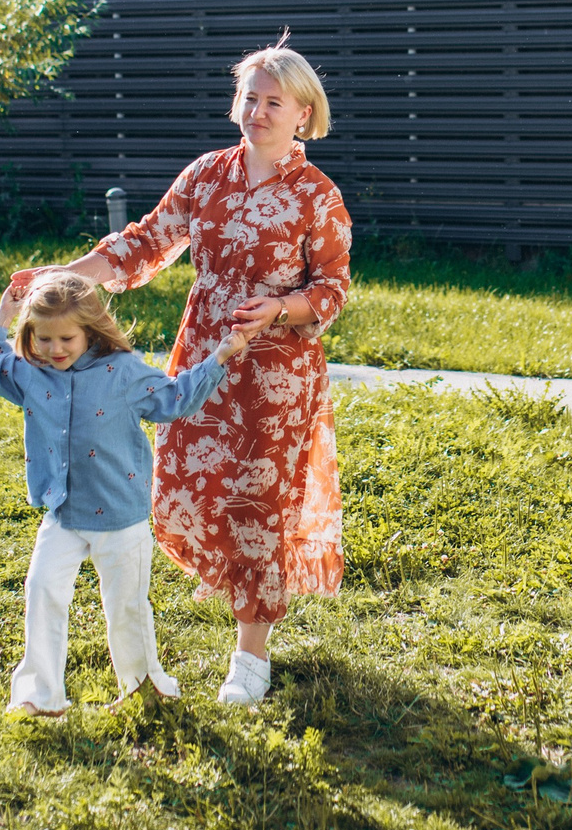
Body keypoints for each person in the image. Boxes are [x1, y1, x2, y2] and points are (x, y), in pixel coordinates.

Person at [45, 42, 352, 708]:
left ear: (303, 113)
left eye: (274, 101)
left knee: (256, 502)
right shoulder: (209, 174)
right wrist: (65, 276)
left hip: (275, 377)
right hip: (205, 359)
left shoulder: (316, 195)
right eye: (251, 97)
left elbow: (332, 288)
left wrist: (279, 305)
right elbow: (146, 240)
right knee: (182, 482)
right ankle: (235, 600)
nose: (259, 111)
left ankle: (251, 655)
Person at [0, 269, 257, 716]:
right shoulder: (31, 372)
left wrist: (220, 356)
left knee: (125, 608)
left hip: (121, 519)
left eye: (66, 338)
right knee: (42, 591)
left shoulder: (121, 372)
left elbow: (175, 399)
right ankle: (39, 696)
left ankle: (145, 688)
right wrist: (5, 313)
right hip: (62, 513)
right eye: (44, 339)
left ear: (90, 330)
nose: (55, 349)